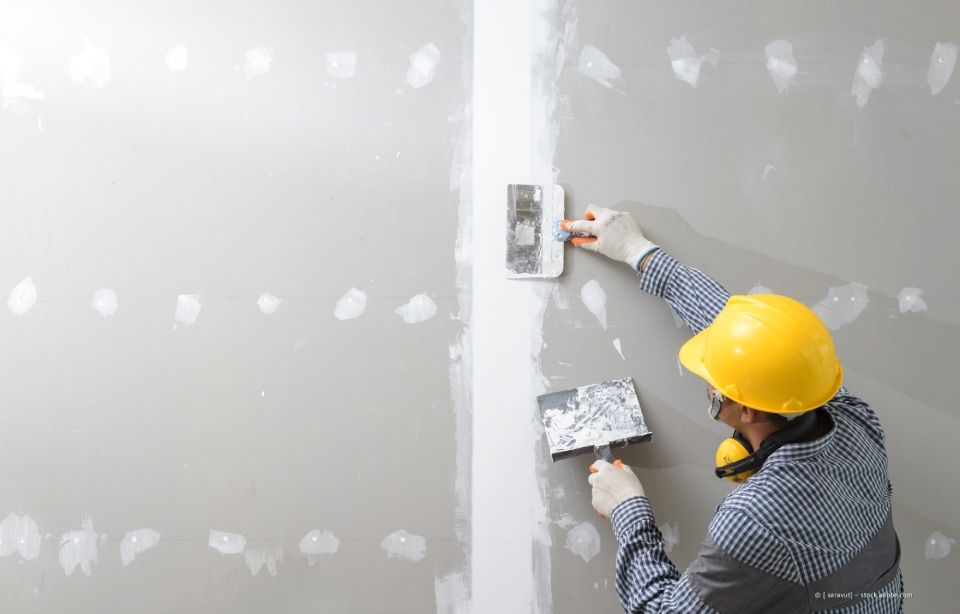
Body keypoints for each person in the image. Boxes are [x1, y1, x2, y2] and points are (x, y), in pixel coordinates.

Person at [564, 206, 903, 613]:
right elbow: (749, 336)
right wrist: (639, 251)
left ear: (746, 410)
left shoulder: (755, 518)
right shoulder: (852, 417)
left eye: (714, 379)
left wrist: (628, 510)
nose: (707, 383)